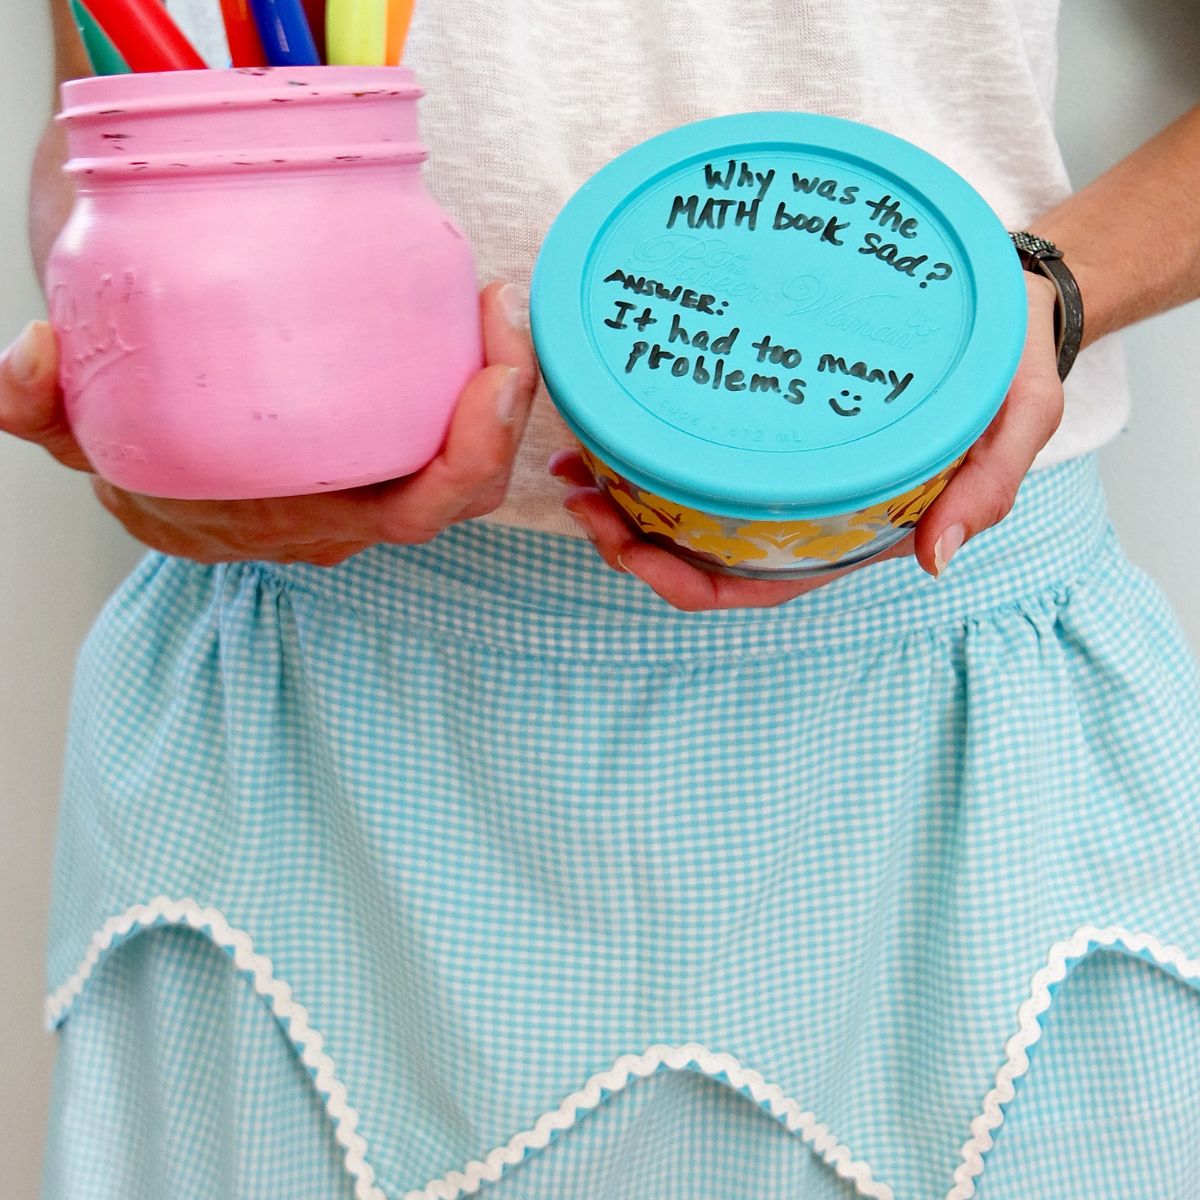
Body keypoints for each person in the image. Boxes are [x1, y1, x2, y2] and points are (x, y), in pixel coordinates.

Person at [7, 1, 1200, 1197]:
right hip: (312, 723)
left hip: (952, 726)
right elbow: (112, 112)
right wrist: (134, 359)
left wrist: (1041, 291)